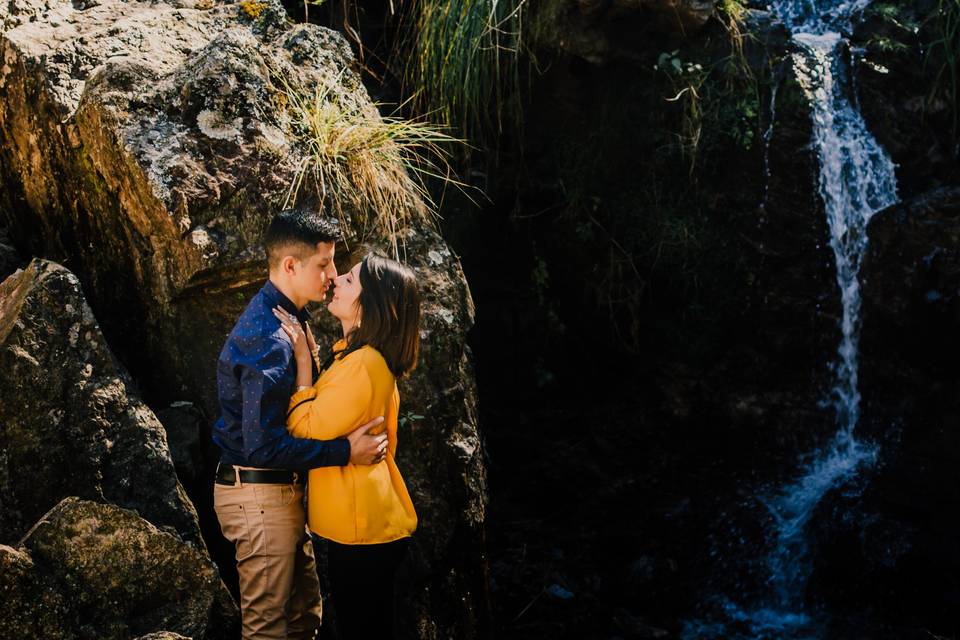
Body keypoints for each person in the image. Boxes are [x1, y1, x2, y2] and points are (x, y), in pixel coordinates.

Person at [211, 209, 389, 640]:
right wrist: (346, 452)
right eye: (323, 264)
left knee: (304, 620)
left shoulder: (289, 318)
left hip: (278, 495)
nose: (332, 274)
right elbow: (262, 447)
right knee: (268, 630)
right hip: (258, 496)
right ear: (290, 266)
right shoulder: (269, 338)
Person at [273, 252, 420, 640]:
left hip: (362, 531)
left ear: (373, 305)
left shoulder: (364, 365)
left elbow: (302, 431)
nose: (336, 279)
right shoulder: (360, 360)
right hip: (367, 526)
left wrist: (303, 365)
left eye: (351, 280)